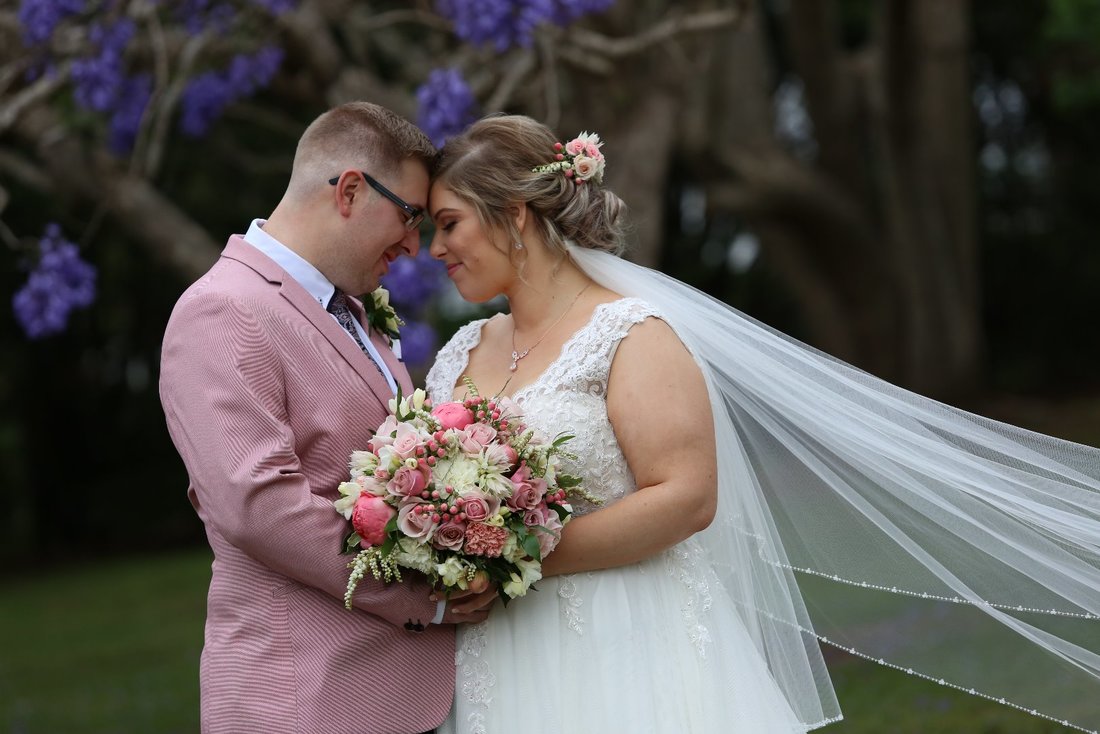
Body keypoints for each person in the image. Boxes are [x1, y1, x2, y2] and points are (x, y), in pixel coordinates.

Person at [423, 115, 1100, 733]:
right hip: (495, 652)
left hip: (621, 640)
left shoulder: (630, 334)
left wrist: (510, 555)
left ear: (514, 215)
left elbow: (686, 496)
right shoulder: (461, 351)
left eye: (449, 224)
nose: (435, 249)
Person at [159, 101, 493, 734]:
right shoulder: (221, 309)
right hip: (302, 698)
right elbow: (260, 505)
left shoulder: (350, 307)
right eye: (409, 216)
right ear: (350, 191)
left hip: (391, 692)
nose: (415, 245)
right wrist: (426, 593)